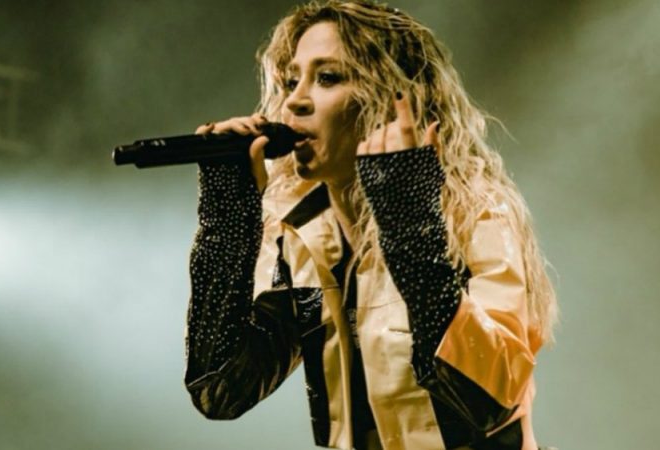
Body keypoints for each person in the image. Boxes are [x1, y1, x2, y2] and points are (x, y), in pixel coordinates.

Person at [184, 1, 559, 449]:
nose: (293, 101)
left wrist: (409, 225)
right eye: (290, 81)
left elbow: (492, 397)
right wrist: (228, 217)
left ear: (390, 98)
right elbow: (221, 391)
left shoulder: (472, 213)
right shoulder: (303, 236)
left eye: (328, 77)